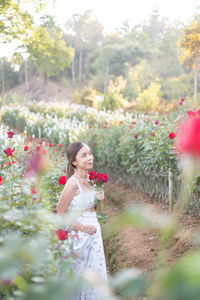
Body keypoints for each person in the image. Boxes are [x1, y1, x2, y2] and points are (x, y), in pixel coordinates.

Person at [56, 141, 107, 299]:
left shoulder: (91, 182)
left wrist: (100, 200)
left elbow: (95, 211)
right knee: (78, 277)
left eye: (90, 153)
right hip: (79, 235)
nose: (89, 157)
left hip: (93, 234)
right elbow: (60, 213)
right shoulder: (72, 183)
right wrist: (83, 228)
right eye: (84, 155)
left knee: (94, 275)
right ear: (74, 161)